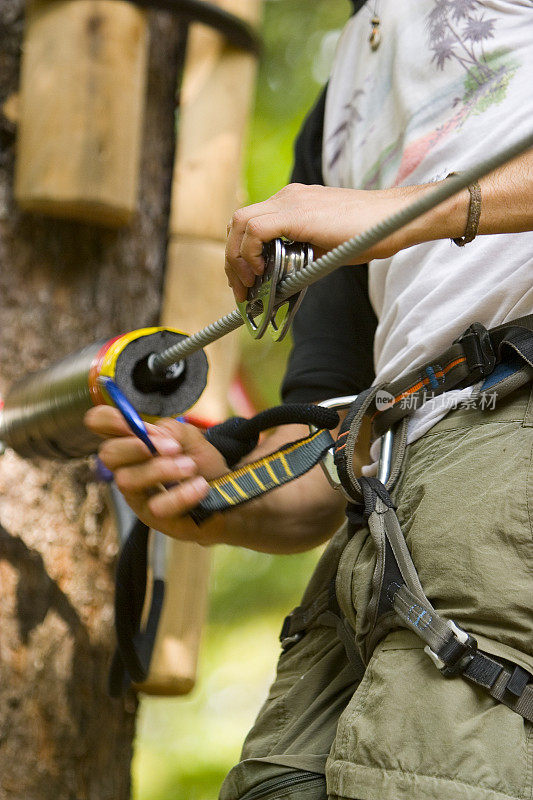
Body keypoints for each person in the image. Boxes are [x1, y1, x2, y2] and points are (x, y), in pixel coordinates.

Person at [86, 2, 533, 798]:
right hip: (392, 504)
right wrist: (213, 492)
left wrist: (401, 214)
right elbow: (331, 447)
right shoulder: (344, 101)